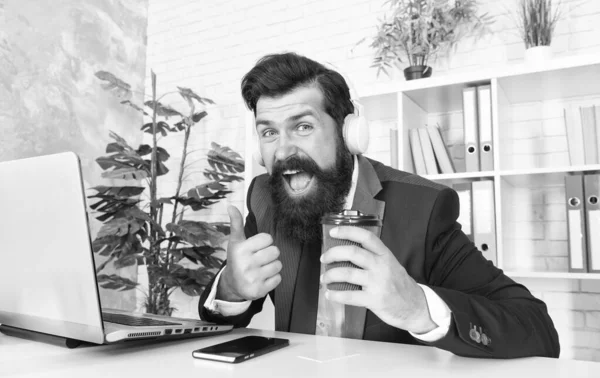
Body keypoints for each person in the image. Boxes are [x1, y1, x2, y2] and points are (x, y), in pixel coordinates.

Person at [197, 52, 560, 359]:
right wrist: (230, 289)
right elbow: (226, 315)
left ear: (349, 131)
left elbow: (538, 331)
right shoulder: (265, 197)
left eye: (303, 127)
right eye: (269, 132)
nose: (282, 150)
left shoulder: (424, 207)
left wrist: (418, 306)